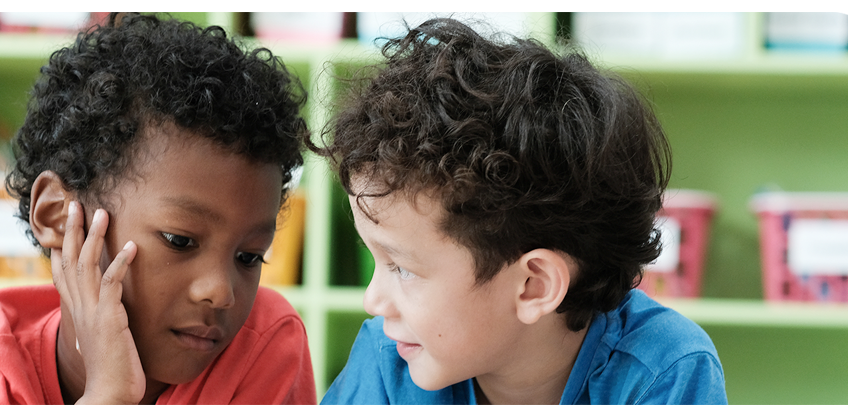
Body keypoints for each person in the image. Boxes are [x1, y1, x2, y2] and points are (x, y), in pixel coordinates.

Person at [309, 18, 727, 405]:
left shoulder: (664, 371)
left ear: (534, 285)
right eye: (377, 260)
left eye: (402, 268)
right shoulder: (389, 358)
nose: (373, 302)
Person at [0, 13, 316, 405]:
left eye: (249, 257)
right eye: (179, 241)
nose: (221, 292)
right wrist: (109, 395)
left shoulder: (263, 345)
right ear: (57, 215)